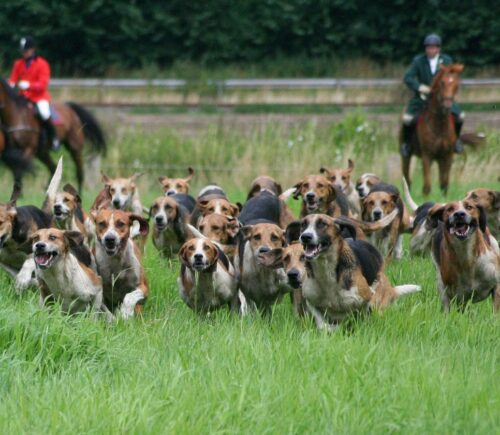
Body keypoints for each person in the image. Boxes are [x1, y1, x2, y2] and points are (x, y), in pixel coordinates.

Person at [401, 33, 464, 157]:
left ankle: (456, 141)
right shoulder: (419, 61)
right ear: (425, 48)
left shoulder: (446, 60)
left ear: (438, 48)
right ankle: (407, 144)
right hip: (422, 98)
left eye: (434, 47)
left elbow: (452, 77)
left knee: (460, 116)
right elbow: (408, 77)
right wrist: (419, 87)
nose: (431, 50)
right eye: (429, 47)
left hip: (443, 98)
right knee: (407, 119)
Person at [9, 36, 60, 150]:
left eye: (26, 51)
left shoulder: (42, 64)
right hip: (22, 97)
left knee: (44, 113)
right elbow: (13, 78)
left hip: (38, 97)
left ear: (32, 49)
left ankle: (54, 138)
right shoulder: (18, 64)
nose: (24, 53)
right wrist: (10, 85)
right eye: (22, 51)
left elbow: (43, 84)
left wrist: (29, 85)